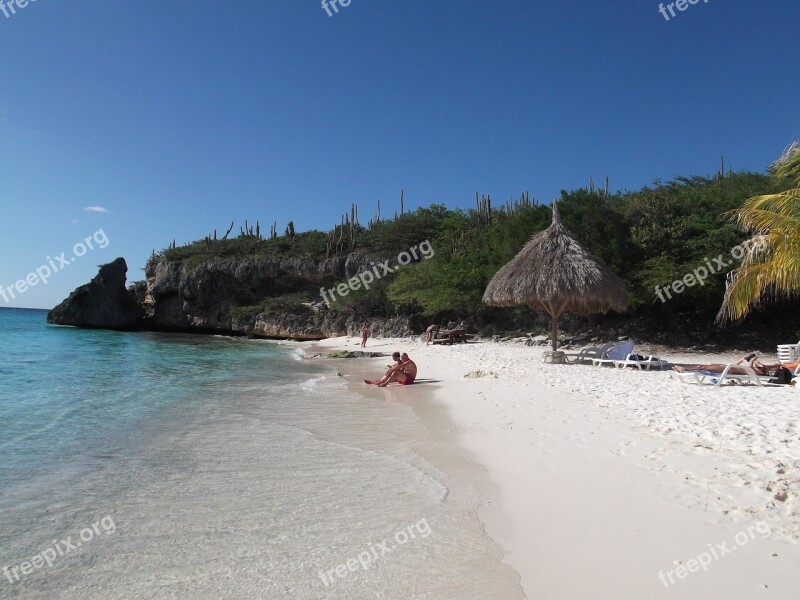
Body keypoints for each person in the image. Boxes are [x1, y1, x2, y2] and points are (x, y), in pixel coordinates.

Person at [673, 353, 787, 377]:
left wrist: (753, 360)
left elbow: (749, 368)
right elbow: (735, 365)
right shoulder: (758, 369)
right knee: (706, 365)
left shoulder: (757, 372)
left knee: (703, 367)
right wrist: (742, 359)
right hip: (728, 367)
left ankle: (684, 369)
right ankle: (684, 369)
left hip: (729, 370)